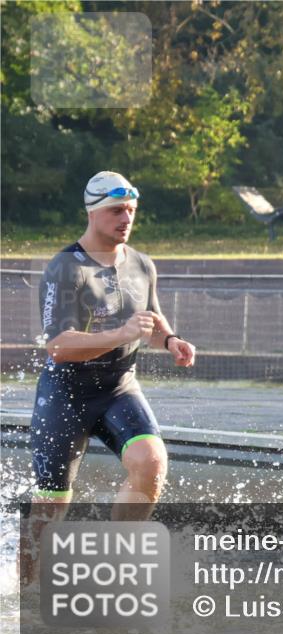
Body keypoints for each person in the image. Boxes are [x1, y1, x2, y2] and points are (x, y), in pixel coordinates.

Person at [19, 171, 197, 585]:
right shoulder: (67, 268)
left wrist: (170, 340)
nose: (126, 218)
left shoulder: (141, 264)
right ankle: (25, 594)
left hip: (119, 388)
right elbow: (58, 346)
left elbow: (148, 319)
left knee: (151, 463)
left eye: (131, 211)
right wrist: (121, 334)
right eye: (117, 210)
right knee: (51, 505)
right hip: (65, 394)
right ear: (93, 212)